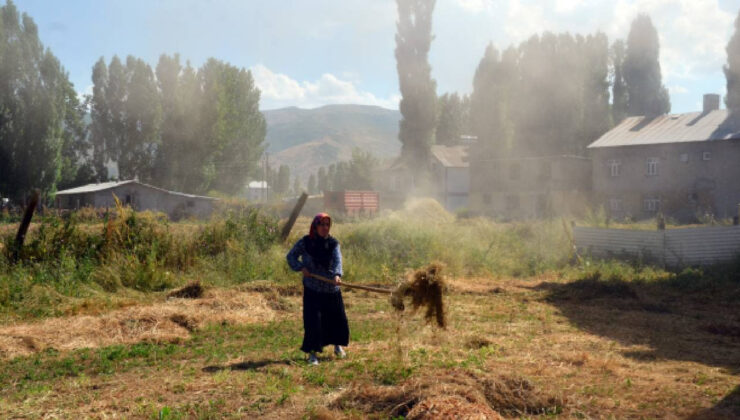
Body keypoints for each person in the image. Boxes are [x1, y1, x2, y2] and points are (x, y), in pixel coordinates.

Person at [286, 213, 349, 365]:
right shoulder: (305, 242)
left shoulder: (333, 243)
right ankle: (312, 354)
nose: (325, 228)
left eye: (327, 225)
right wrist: (301, 268)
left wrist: (337, 275)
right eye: (321, 224)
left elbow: (337, 260)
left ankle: (337, 346)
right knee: (313, 322)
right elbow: (291, 256)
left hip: (331, 289)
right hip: (312, 289)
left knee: (336, 319)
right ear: (315, 226)